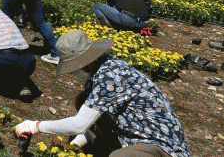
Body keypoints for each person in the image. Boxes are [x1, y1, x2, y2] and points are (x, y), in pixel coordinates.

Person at [14, 29, 190, 157]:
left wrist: (36, 126)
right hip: (133, 134)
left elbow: (79, 125)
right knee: (83, 100)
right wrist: (74, 147)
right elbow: (88, 123)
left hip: (160, 145)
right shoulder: (101, 69)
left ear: (85, 62)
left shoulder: (110, 76)